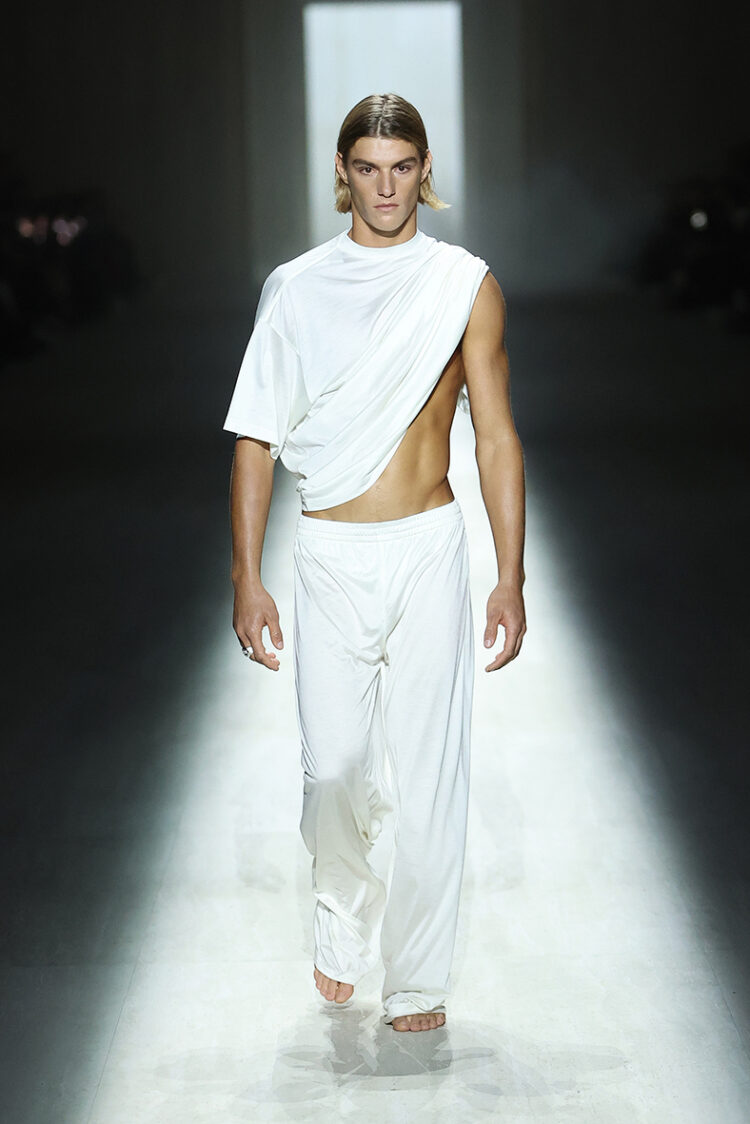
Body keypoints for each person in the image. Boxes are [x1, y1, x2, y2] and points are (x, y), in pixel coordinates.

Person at [224, 93, 526, 1033]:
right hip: (330, 551)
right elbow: (255, 439)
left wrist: (510, 575)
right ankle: (342, 902)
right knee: (334, 768)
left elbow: (496, 437)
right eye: (368, 168)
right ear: (343, 173)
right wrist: (245, 575)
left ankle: (420, 978)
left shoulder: (465, 285)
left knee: (433, 775)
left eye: (402, 168)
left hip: (429, 546)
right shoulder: (296, 288)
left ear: (425, 171)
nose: (386, 187)